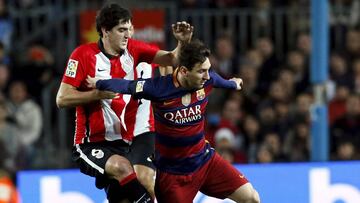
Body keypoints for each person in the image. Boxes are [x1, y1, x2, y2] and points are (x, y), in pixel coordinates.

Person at [87, 39, 261, 203]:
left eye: (208, 69)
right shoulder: (158, 88)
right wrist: (99, 82)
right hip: (173, 175)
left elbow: (224, 81)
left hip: (205, 162)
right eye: (201, 71)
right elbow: (126, 86)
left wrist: (234, 84)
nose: (208, 76)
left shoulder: (208, 80)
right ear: (184, 71)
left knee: (251, 198)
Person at [55, 3, 193, 203]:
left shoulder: (134, 50)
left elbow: (171, 59)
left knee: (128, 194)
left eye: (128, 29)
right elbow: (62, 99)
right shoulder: (82, 55)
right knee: (123, 168)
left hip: (126, 141)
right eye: (121, 30)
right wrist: (97, 94)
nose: (127, 35)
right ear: (105, 31)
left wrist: (184, 43)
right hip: (90, 143)